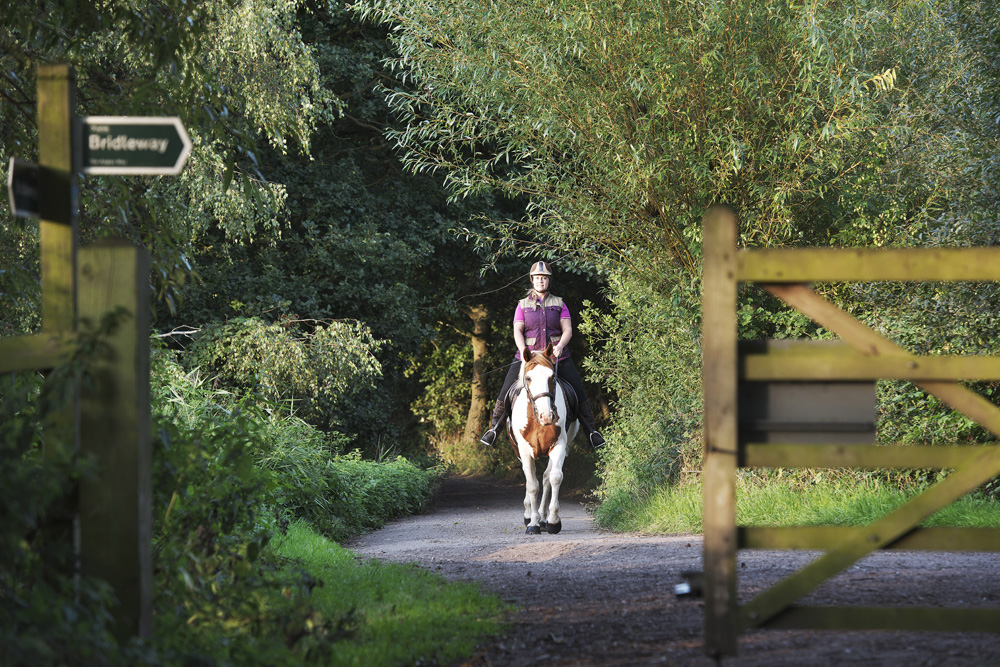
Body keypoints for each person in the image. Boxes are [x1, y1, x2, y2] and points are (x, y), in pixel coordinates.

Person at [479, 261, 606, 449]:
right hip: (529, 358)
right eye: (537, 278)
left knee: (578, 392)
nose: (541, 281)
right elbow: (517, 331)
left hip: (556, 357)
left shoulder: (559, 303)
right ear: (532, 280)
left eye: (544, 278)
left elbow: (568, 329)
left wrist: (561, 345)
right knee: (506, 391)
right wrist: (523, 352)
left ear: (549, 281)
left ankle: (592, 433)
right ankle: (494, 430)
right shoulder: (522, 305)